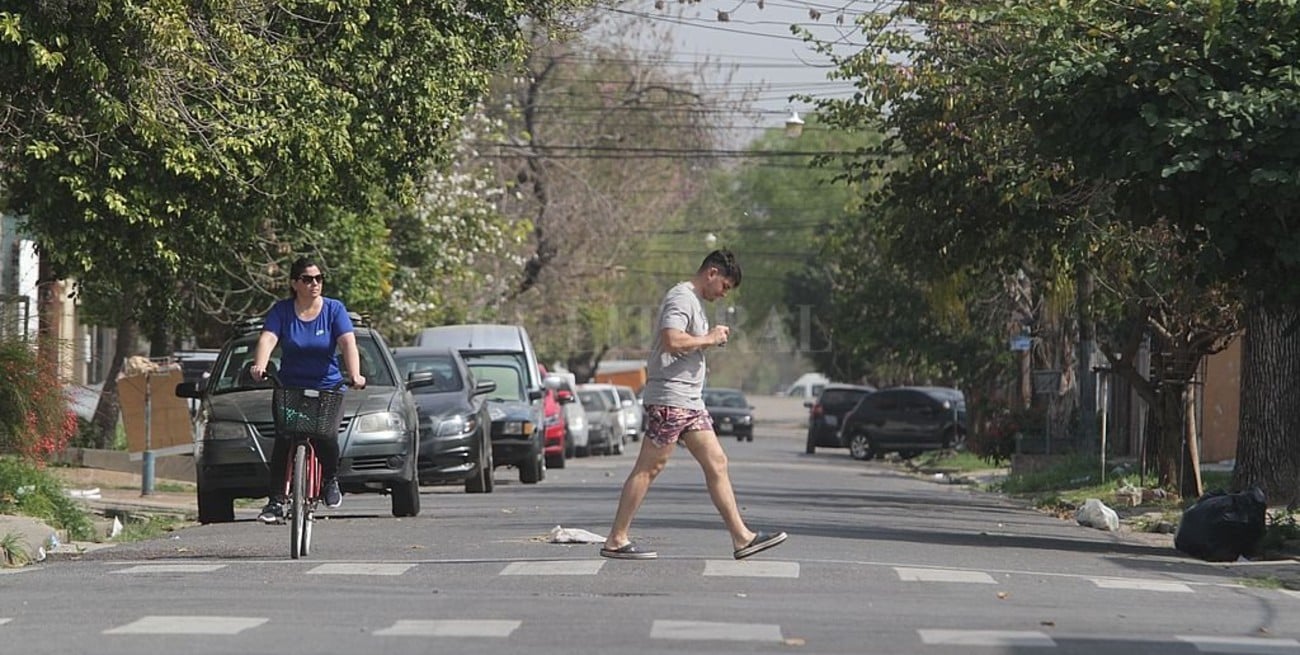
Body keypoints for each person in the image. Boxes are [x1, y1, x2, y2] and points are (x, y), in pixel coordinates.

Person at [601, 249, 787, 560]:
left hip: (690, 402)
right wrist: (710, 339)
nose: (724, 294)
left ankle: (742, 537)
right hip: (671, 399)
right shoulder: (681, 297)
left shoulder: (696, 303)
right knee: (649, 468)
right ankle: (616, 538)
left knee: (717, 462)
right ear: (712, 273)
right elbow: (672, 340)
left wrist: (708, 339)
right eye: (725, 286)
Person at [249, 257, 366, 523]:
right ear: (294, 283)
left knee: (325, 436)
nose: (314, 284)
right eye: (307, 279)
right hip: (291, 386)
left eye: (318, 278)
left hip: (327, 386)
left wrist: (355, 374)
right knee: (284, 438)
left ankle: (330, 480)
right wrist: (260, 365)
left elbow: (348, 343)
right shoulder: (282, 311)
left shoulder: (334, 310)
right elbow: (268, 338)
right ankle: (276, 501)